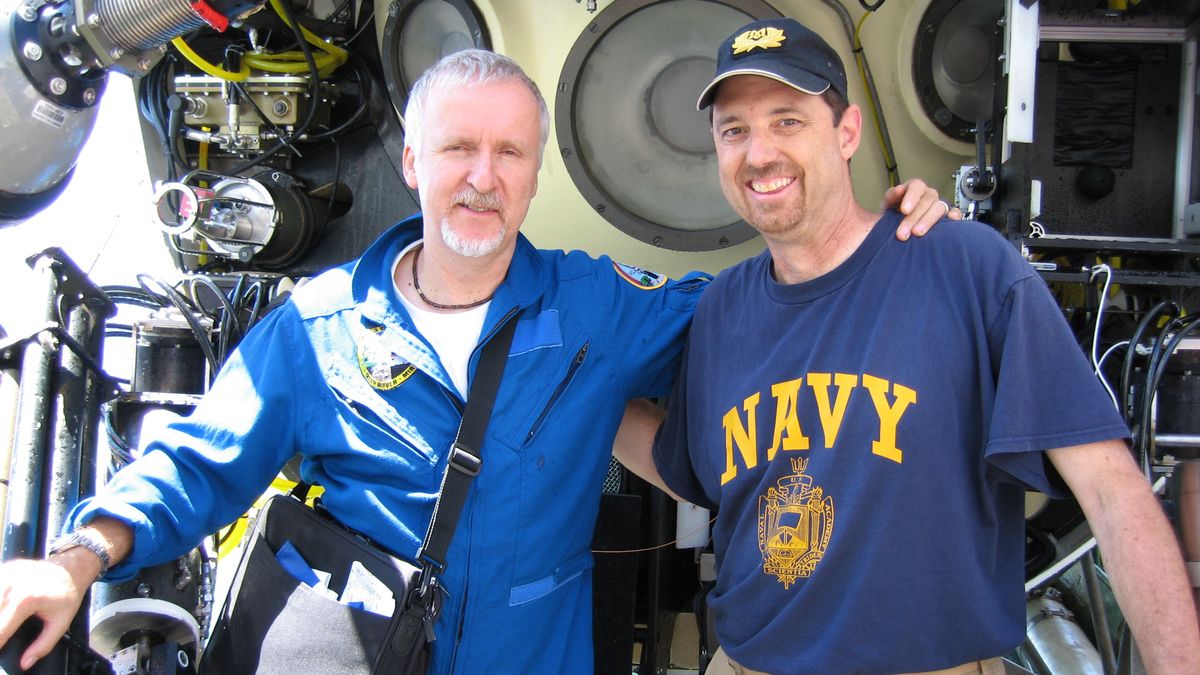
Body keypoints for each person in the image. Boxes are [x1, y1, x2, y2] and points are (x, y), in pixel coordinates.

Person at [0, 49, 952, 673]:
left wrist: (878, 235)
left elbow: (770, 316)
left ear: (537, 171)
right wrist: (78, 559)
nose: (484, 177)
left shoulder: (598, 306)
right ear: (412, 162)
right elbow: (197, 463)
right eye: (458, 148)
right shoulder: (318, 324)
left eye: (509, 152)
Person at [620, 17, 1200, 675]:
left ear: (847, 133)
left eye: (788, 120)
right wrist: (589, 402)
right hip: (751, 662)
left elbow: (1112, 492)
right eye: (734, 130)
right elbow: (690, 470)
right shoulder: (720, 307)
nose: (759, 153)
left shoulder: (968, 268)